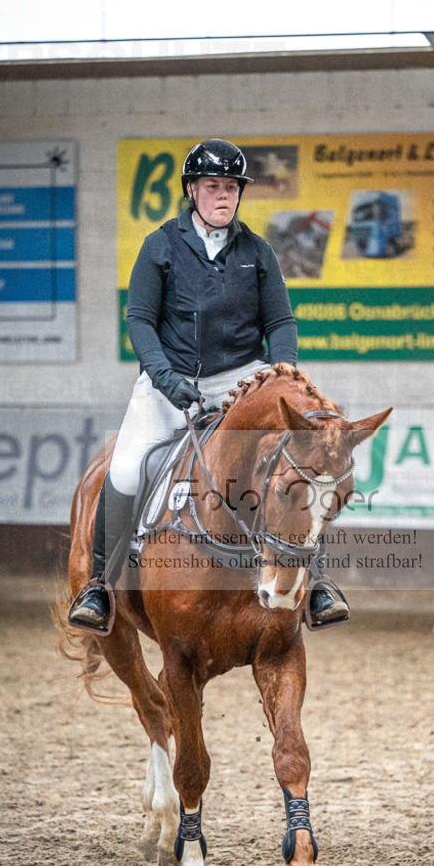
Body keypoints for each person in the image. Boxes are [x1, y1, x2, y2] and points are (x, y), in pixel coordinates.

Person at [68, 138, 349, 633]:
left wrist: (280, 377)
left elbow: (280, 323)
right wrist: (165, 378)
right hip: (168, 381)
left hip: (242, 378)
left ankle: (318, 584)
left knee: (297, 462)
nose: (223, 197)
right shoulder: (160, 245)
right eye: (213, 187)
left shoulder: (258, 252)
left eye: (231, 188)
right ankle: (98, 586)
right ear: (192, 191)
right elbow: (139, 320)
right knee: (129, 469)